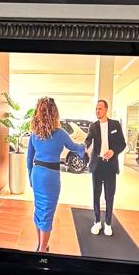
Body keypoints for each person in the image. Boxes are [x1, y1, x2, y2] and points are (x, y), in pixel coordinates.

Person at [25, 96, 83, 252]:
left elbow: (29, 157)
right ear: (54, 113)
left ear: (38, 112)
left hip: (37, 174)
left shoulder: (34, 133)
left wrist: (30, 176)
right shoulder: (60, 133)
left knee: (39, 210)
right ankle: (43, 250)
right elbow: (74, 147)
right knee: (47, 211)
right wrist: (84, 146)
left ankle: (40, 244)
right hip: (51, 176)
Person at [83, 97, 127, 236]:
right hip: (97, 165)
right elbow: (89, 139)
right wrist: (83, 146)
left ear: (106, 109)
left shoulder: (115, 125)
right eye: (96, 108)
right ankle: (97, 222)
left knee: (109, 196)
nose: (97, 111)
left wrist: (113, 151)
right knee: (96, 195)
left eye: (100, 108)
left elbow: (122, 143)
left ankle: (108, 223)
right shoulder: (93, 126)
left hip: (110, 165)